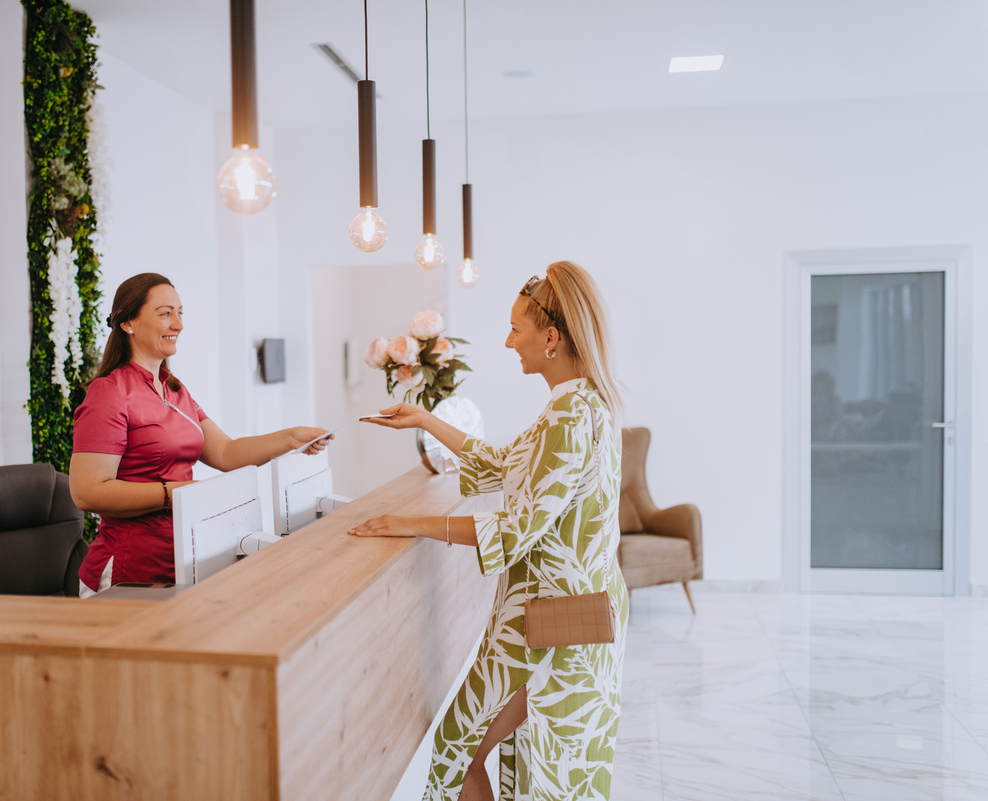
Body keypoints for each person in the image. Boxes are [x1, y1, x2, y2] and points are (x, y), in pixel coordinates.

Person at [349, 261, 627, 800]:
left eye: (515, 330)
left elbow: (516, 527)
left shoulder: (569, 417)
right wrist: (426, 420)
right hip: (560, 618)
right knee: (478, 749)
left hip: (551, 625)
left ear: (550, 338)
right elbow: (502, 463)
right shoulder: (576, 404)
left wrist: (407, 524)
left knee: (458, 748)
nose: (506, 342)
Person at [69, 272, 330, 596]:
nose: (178, 324)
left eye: (180, 313)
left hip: (184, 560)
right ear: (127, 323)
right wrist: (176, 493)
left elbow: (225, 452)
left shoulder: (174, 389)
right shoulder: (109, 392)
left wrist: (291, 438)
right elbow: (87, 492)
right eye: (165, 313)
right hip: (130, 569)